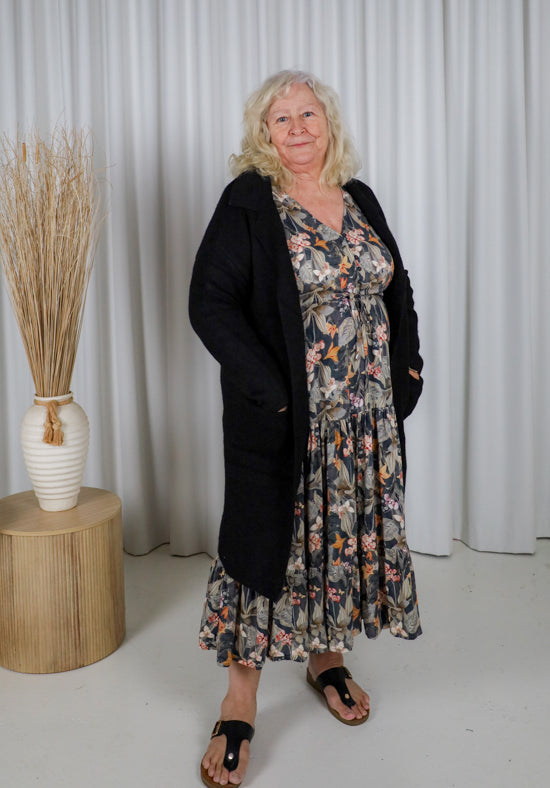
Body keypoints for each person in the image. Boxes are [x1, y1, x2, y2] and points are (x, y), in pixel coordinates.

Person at [189, 69, 423, 788]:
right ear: (264, 134)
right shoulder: (250, 204)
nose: (296, 128)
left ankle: (326, 656)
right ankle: (240, 699)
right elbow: (209, 303)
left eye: (307, 113)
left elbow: (396, 285)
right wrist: (274, 392)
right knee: (267, 553)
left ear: (329, 124)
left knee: (341, 545)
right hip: (291, 429)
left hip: (366, 426)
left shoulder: (360, 199)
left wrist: (409, 368)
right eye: (279, 118)